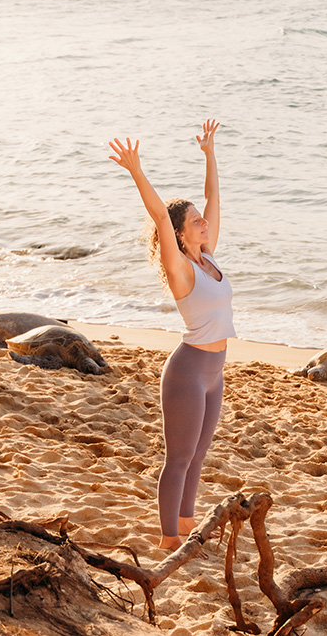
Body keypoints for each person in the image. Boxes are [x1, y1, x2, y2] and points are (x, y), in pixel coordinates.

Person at [109, 119, 235, 551]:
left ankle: (186, 528)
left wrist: (209, 154)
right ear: (180, 235)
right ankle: (167, 542)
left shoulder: (209, 258)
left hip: (214, 371)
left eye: (202, 221)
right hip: (187, 372)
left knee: (197, 457)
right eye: (195, 222)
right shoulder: (180, 268)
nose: (203, 223)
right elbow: (161, 214)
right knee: (178, 459)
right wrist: (136, 171)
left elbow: (214, 197)